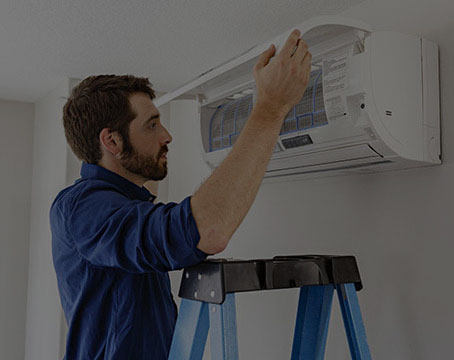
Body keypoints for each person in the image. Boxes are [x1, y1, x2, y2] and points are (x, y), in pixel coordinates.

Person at [51, 29, 311, 359]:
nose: (168, 135)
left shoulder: (124, 203)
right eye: (152, 124)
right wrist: (270, 107)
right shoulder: (83, 208)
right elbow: (208, 230)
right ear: (112, 142)